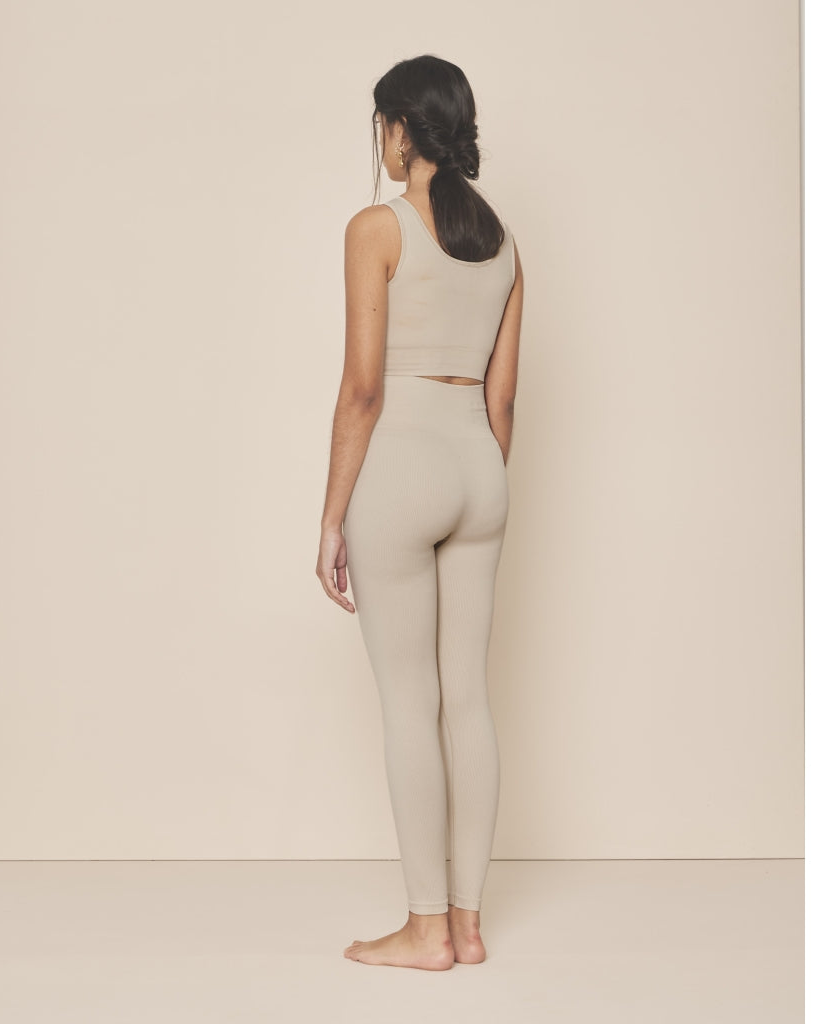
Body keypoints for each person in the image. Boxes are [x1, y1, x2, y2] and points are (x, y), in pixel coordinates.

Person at [316, 54, 524, 971]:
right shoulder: (505, 244)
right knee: (468, 698)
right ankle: (469, 925)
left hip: (402, 465)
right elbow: (503, 400)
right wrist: (476, 479)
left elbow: (363, 390)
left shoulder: (378, 227)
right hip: (480, 467)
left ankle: (425, 929)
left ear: (401, 129)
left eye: (383, 125)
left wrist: (333, 517)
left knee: (411, 703)